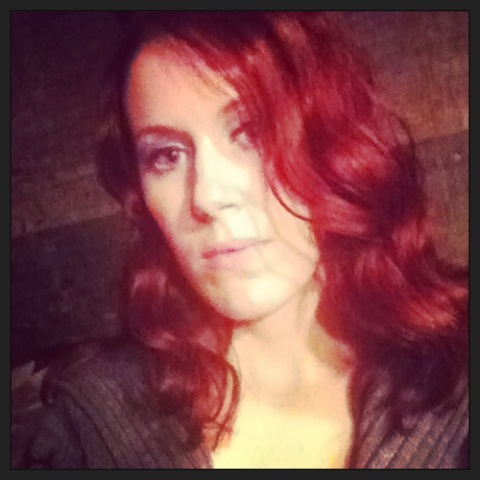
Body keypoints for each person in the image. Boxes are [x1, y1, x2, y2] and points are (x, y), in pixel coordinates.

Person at [21, 11, 468, 468]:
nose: (207, 197)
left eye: (252, 132)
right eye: (166, 156)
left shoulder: (457, 366)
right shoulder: (91, 423)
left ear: (331, 142)